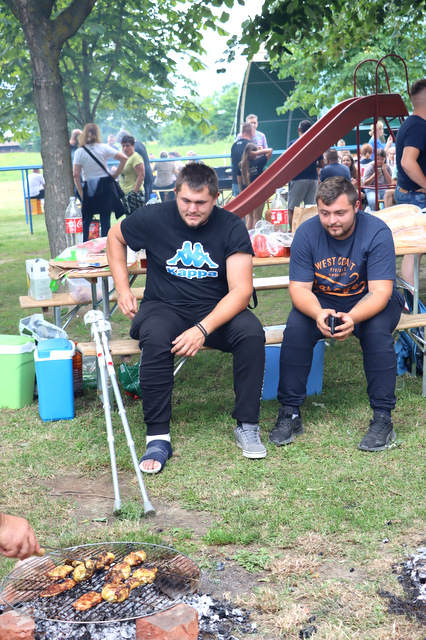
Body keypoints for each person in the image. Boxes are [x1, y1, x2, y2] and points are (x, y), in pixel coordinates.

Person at [106, 163, 267, 473]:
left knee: (251, 332)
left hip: (215, 309)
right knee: (155, 336)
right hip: (163, 306)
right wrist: (123, 288)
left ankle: (247, 424)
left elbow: (241, 291)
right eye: (186, 201)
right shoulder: (155, 216)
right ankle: (157, 436)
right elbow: (115, 236)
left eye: (201, 202)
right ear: (175, 193)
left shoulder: (231, 226)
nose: (192, 209)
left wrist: (202, 329)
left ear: (216, 198)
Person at [269, 177, 404, 452]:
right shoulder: (306, 233)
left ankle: (383, 418)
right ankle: (290, 413)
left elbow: (381, 291)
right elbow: (299, 289)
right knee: (296, 328)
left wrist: (352, 317)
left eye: (340, 213)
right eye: (325, 213)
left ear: (356, 207)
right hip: (324, 300)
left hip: (370, 298)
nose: (332, 221)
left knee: (376, 332)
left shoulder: (376, 231)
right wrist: (318, 313)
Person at [395, 78, 426, 286]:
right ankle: (411, 298)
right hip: (416, 196)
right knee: (414, 251)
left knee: (415, 251)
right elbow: (407, 162)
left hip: (410, 193)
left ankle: (410, 297)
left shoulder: (411, 123)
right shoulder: (418, 126)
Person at [73, 123, 127, 241]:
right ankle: (105, 244)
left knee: (87, 218)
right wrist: (115, 175)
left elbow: (76, 175)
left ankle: (84, 243)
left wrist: (82, 194)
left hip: (89, 187)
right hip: (105, 185)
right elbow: (124, 158)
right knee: (105, 218)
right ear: (98, 134)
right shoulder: (104, 148)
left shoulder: (80, 152)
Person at [287, 120, 324, 230]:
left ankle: (293, 233)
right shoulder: (315, 143)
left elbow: (288, 163)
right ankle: (310, 232)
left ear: (299, 130)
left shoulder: (292, 144)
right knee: (310, 209)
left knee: (292, 208)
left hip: (297, 178)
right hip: (313, 179)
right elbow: (322, 164)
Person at [237, 142, 273, 230]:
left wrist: (242, 193)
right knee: (257, 217)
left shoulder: (241, 165)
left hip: (246, 194)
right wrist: (257, 152)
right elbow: (270, 150)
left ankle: (248, 237)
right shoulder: (259, 162)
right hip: (258, 193)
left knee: (250, 217)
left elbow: (239, 182)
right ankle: (255, 237)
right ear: (253, 153)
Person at [119, 134, 145, 215]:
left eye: (127, 146)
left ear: (133, 146)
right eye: (123, 146)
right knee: (128, 218)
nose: (125, 148)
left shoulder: (135, 157)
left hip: (134, 194)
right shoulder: (125, 158)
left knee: (136, 218)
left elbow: (141, 175)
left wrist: (134, 192)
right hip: (125, 194)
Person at [230, 122, 254, 197]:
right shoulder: (251, 146)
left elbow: (232, 161)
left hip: (235, 181)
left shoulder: (234, 145)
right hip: (247, 183)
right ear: (251, 132)